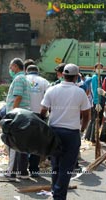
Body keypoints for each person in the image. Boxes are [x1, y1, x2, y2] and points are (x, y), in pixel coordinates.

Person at [40, 63, 90, 200]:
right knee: (66, 168)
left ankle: (55, 191)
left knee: (55, 164)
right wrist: (82, 129)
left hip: (54, 132)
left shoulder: (52, 90)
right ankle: (59, 196)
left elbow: (43, 111)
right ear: (76, 77)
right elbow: (86, 115)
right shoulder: (80, 92)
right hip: (72, 134)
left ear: (63, 75)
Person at [0, 58, 31, 181]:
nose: (10, 70)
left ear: (16, 67)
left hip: (17, 116)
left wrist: (11, 114)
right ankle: (16, 172)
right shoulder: (23, 78)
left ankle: (11, 173)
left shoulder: (19, 79)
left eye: (11, 67)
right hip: (22, 115)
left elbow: (18, 97)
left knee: (13, 145)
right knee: (18, 146)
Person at [25, 64, 50, 177]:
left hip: (23, 115)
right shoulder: (45, 82)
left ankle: (22, 168)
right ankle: (34, 169)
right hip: (39, 115)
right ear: (38, 71)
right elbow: (49, 99)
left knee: (23, 141)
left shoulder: (22, 80)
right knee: (37, 143)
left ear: (26, 71)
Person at [84, 63, 104, 144]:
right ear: (95, 68)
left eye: (101, 68)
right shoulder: (95, 77)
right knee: (96, 119)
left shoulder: (99, 77)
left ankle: (88, 136)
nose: (100, 69)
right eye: (98, 68)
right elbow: (95, 90)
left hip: (97, 100)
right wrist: (97, 102)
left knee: (93, 119)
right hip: (96, 101)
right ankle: (93, 138)